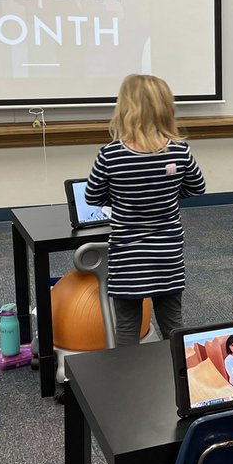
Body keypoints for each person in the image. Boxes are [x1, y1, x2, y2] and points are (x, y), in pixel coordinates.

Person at [85, 74, 206, 347]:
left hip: (128, 256)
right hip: (168, 253)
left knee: (127, 326)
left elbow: (92, 196)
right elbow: (197, 188)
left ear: (125, 108)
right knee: (173, 324)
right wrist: (169, 196)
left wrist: (117, 199)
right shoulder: (179, 151)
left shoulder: (110, 155)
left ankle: (127, 380)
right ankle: (181, 377)